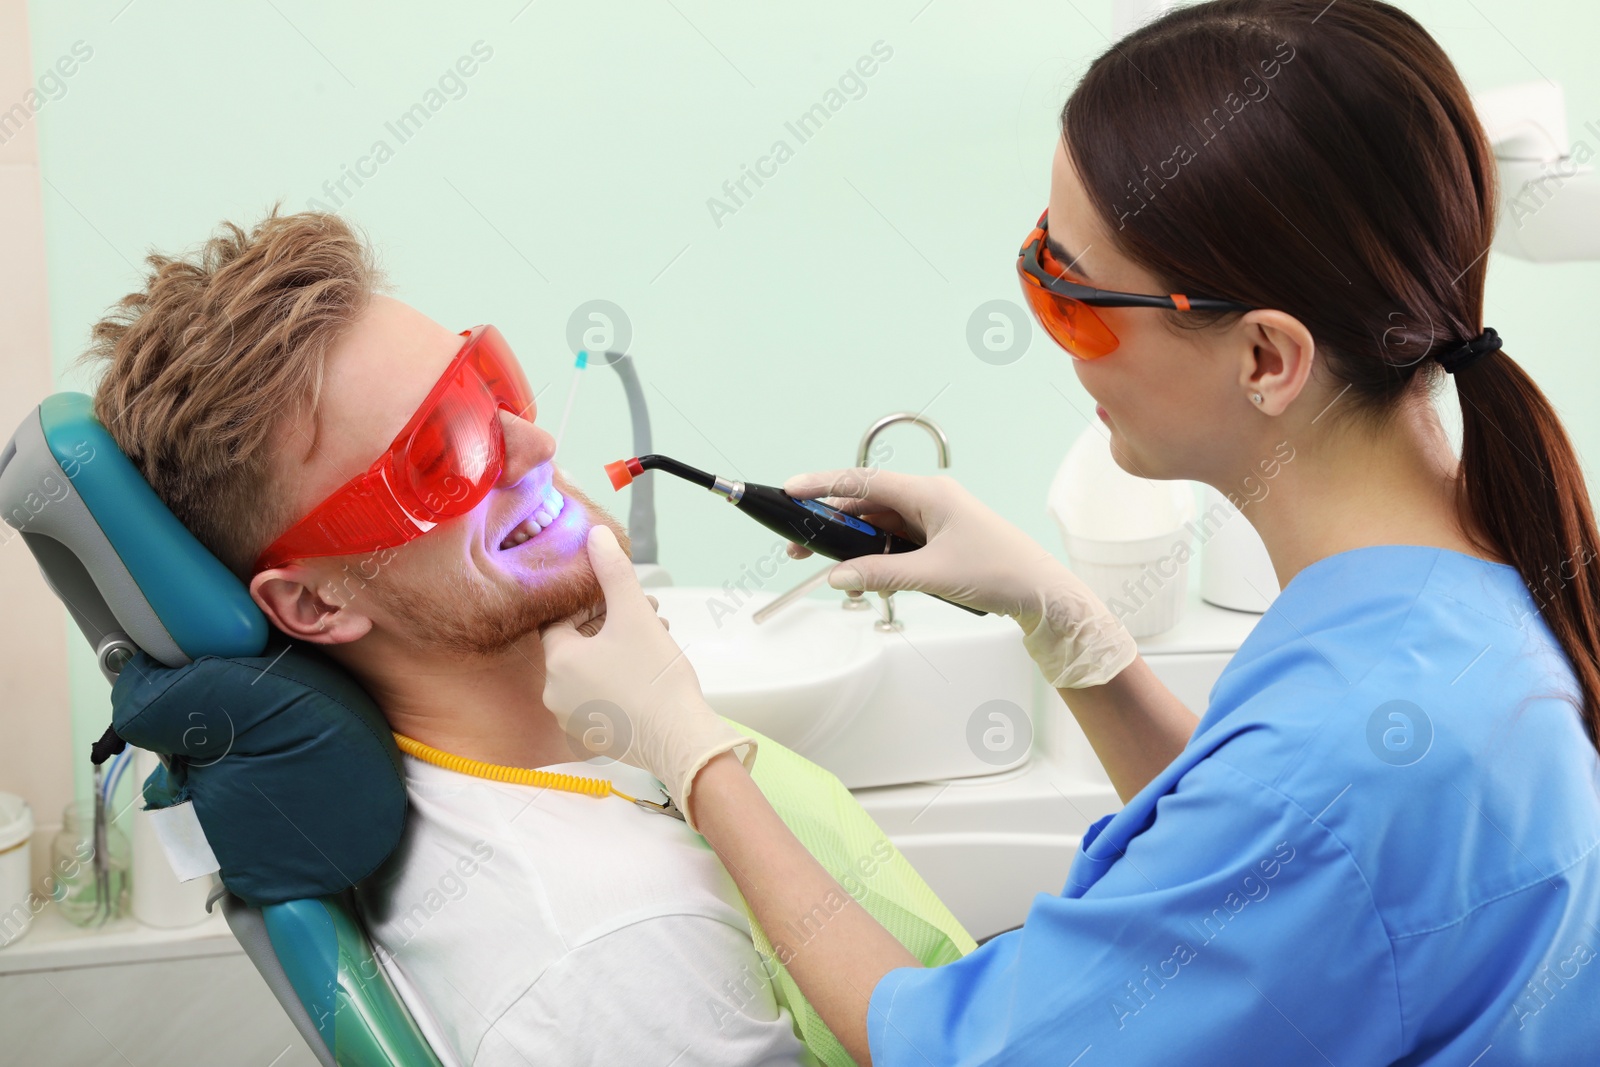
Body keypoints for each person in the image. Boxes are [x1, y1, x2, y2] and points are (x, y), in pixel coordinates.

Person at [538, 1, 1600, 1062]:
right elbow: (1293, 889)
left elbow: (951, 1050)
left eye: (1070, 298)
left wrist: (691, 749)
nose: (1057, 341)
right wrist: (1069, 628)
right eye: (1034, 260)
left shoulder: (1335, 763)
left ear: (1267, 359)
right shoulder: (1472, 581)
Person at [83, 206, 812, 1066]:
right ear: (317, 605)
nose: (537, 444)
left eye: (490, 389)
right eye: (441, 454)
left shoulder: (534, 771)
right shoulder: (611, 946)